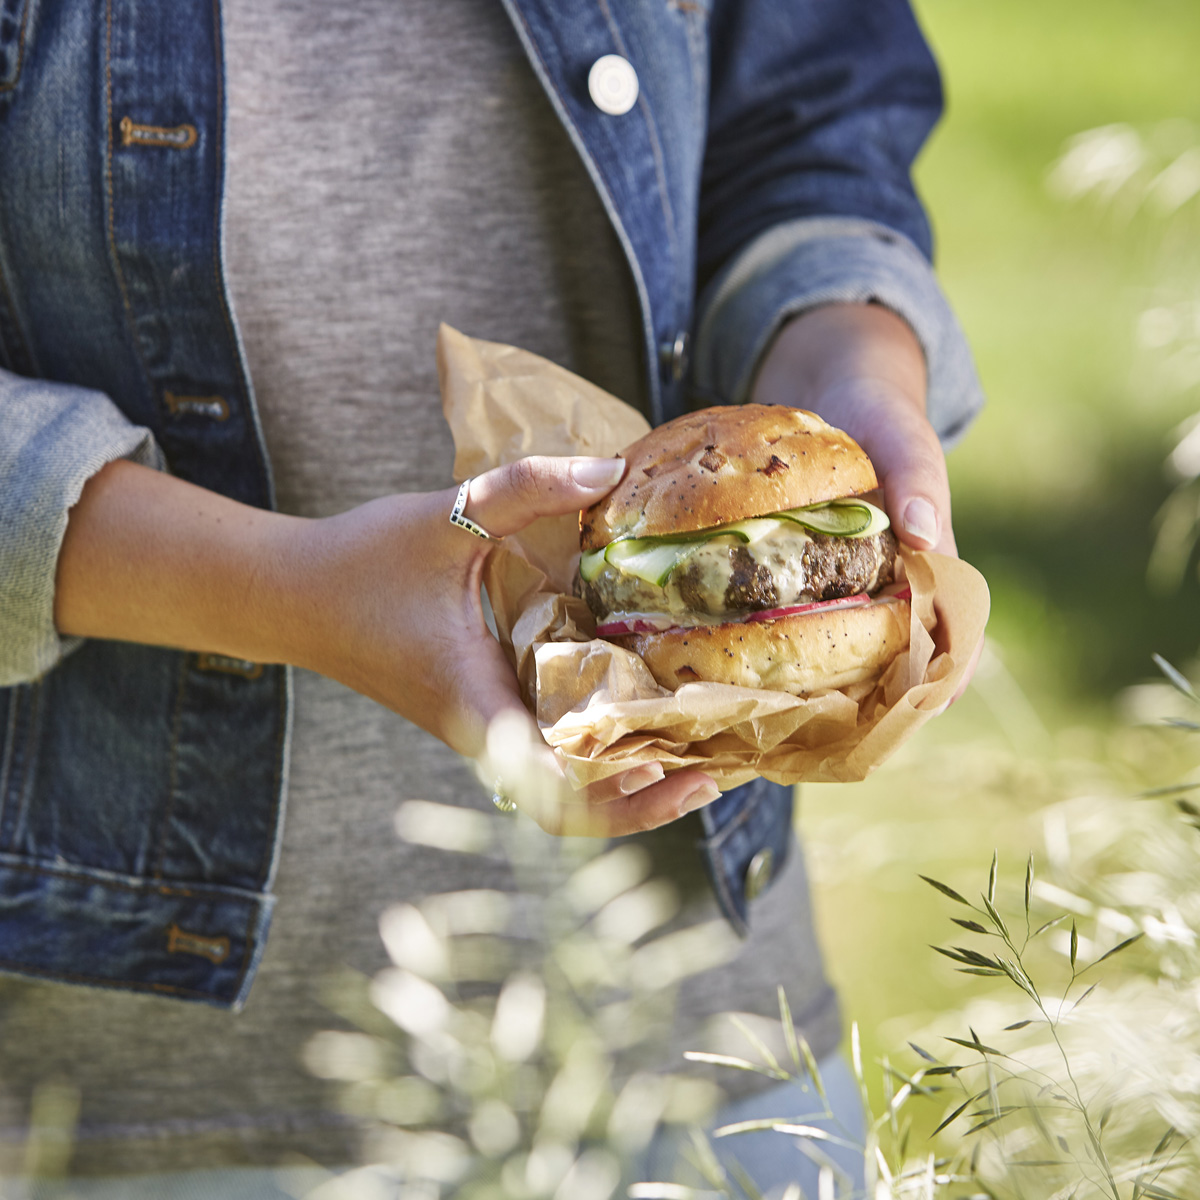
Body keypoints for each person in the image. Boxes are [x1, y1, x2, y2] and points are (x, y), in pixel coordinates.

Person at [0, 0, 982, 1194]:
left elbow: (811, 122)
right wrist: (294, 594)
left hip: (707, 1044)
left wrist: (855, 371)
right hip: (146, 1089)